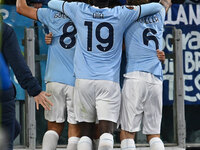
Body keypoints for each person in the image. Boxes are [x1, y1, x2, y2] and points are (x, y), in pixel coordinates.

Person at [47, 0, 166, 150]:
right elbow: (159, 6)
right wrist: (132, 8)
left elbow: (51, 3)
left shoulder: (78, 9)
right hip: (110, 81)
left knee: (84, 135)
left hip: (84, 80)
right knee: (108, 134)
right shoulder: (122, 13)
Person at [16, 0, 82, 150]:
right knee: (75, 128)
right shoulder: (84, 13)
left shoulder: (50, 14)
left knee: (53, 127)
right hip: (77, 79)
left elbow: (21, 8)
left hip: (54, 78)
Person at [119, 0, 172, 150]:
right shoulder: (160, 12)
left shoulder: (126, 14)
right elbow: (167, 3)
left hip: (134, 77)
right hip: (155, 78)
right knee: (154, 134)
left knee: (128, 132)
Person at [0, 20, 52, 150]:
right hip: (2, 95)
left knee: (14, 128)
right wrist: (35, 90)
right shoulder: (4, 30)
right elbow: (18, 64)